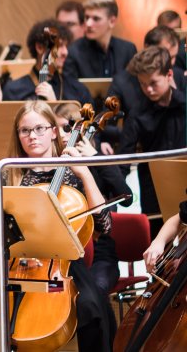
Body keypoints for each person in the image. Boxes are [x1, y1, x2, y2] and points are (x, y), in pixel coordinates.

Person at [4, 100, 116, 350]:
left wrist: (85, 174)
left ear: (54, 131)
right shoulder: (8, 173)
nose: (32, 136)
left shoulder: (71, 172)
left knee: (92, 306)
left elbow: (105, 225)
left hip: (64, 265)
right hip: (16, 263)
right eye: (25, 130)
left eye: (39, 129)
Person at [53, 103, 133, 296]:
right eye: (57, 129)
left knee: (92, 293)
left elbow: (127, 197)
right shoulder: (51, 163)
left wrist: (95, 158)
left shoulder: (95, 161)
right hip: (63, 255)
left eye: (67, 128)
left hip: (99, 253)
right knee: (54, 292)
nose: (63, 135)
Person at [118, 46, 186, 236]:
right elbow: (124, 157)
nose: (148, 89)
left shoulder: (185, 105)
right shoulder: (138, 114)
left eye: (154, 83)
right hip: (155, 193)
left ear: (169, 75)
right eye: (142, 83)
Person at [3, 19, 93, 105]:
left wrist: (53, 103)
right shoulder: (14, 90)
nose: (65, 52)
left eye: (66, 46)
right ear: (40, 47)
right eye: (59, 45)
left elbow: (90, 120)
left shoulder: (78, 90)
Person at [65, 0, 137, 79]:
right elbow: (70, 88)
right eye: (87, 17)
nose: (88, 24)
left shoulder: (128, 50)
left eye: (96, 19)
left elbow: (134, 86)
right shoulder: (73, 51)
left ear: (112, 22)